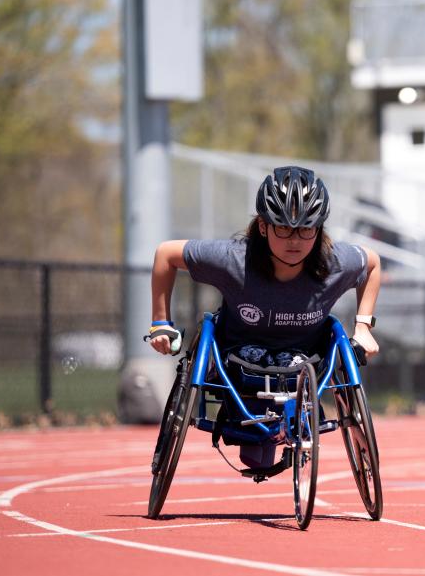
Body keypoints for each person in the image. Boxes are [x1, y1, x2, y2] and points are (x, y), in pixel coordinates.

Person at [148, 166, 381, 468]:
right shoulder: (233, 259)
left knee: (269, 440)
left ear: (319, 229)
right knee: (255, 456)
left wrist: (363, 327)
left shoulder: (335, 262)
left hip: (304, 365)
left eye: (306, 229)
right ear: (263, 226)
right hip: (238, 365)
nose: (294, 241)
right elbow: (166, 254)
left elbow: (372, 264)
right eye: (282, 228)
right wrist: (159, 322)